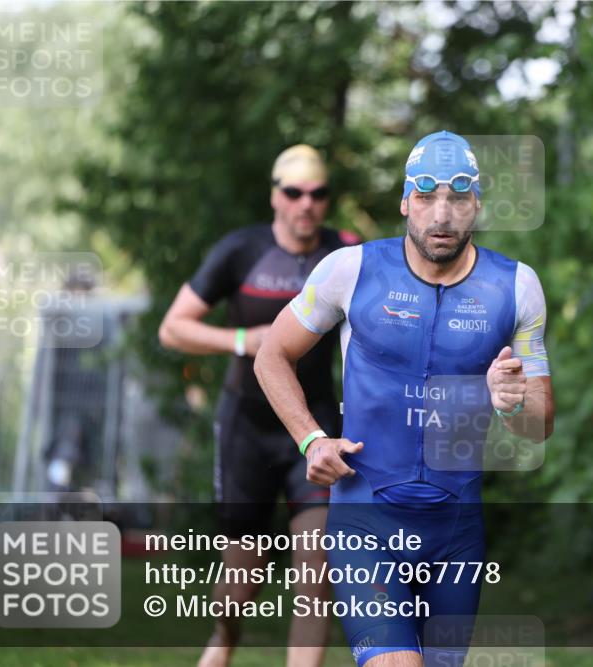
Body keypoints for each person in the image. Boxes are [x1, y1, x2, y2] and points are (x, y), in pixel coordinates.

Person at [254, 131, 554, 667]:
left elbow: (539, 426)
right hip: (366, 519)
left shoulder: (516, 288)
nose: (442, 215)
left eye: (458, 199)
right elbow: (271, 356)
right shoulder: (352, 271)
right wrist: (310, 439)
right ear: (405, 202)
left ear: (477, 204)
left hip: (456, 531)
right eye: (426, 197)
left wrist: (512, 403)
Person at [159, 144, 359, 667]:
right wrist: (244, 340)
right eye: (293, 192)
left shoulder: (346, 253)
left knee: (316, 567)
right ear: (276, 195)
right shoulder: (240, 250)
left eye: (317, 194)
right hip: (246, 425)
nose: (305, 204)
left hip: (312, 425)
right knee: (241, 575)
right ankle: (224, 641)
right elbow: (173, 327)